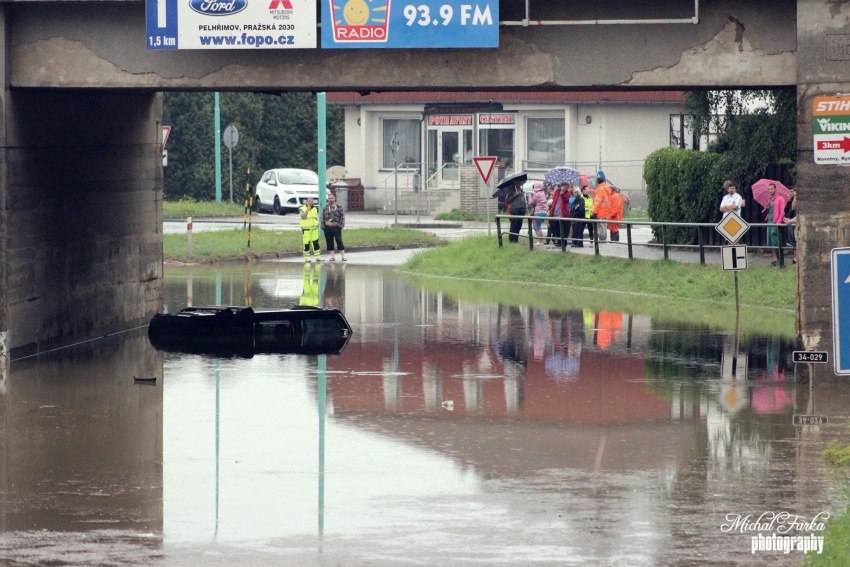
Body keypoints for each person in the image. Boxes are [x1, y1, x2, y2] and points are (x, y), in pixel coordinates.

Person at [763, 183, 787, 266]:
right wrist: (766, 208)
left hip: (776, 220)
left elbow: (782, 212)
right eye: (769, 189)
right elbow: (767, 211)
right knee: (770, 240)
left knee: (776, 239)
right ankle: (775, 259)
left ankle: (780, 259)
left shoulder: (780, 199)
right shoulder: (769, 199)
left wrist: (778, 222)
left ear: (775, 189)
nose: (770, 191)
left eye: (772, 189)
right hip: (769, 220)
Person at [321, 192, 347, 261]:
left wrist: (341, 225)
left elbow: (342, 217)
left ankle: (343, 256)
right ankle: (332, 257)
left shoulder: (339, 207)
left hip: (336, 227)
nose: (330, 199)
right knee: (329, 241)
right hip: (328, 227)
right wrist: (323, 226)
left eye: (331, 198)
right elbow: (323, 217)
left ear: (334, 198)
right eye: (329, 198)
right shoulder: (326, 207)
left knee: (339, 240)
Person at [547, 182, 571, 247]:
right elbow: (554, 200)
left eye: (566, 186)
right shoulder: (557, 191)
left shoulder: (568, 193)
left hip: (563, 213)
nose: (564, 188)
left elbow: (567, 200)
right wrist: (552, 209)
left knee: (564, 229)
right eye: (563, 186)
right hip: (556, 212)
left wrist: (563, 194)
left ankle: (564, 242)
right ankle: (559, 241)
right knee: (557, 228)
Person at [504, 177, 528, 244]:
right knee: (513, 225)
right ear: (514, 183)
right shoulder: (511, 190)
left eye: (519, 182)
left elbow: (523, 199)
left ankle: (516, 239)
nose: (518, 183)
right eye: (517, 182)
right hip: (514, 209)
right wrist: (514, 195)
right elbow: (507, 200)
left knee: (519, 225)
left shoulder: (521, 190)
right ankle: (511, 240)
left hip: (521, 209)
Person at [299, 197, 321, 262]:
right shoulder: (302, 209)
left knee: (316, 243)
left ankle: (318, 257)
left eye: (312, 201)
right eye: (309, 201)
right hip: (306, 229)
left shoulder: (315, 209)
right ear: (306, 201)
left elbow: (315, 218)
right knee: (306, 243)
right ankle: (307, 257)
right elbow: (303, 217)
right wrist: (308, 209)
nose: (310, 202)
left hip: (314, 229)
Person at [592, 171, 613, 240]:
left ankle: (602, 240)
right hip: (606, 212)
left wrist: (594, 212)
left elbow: (597, 202)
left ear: (597, 182)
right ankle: (604, 239)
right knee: (604, 226)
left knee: (601, 228)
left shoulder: (600, 189)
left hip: (600, 212)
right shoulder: (606, 188)